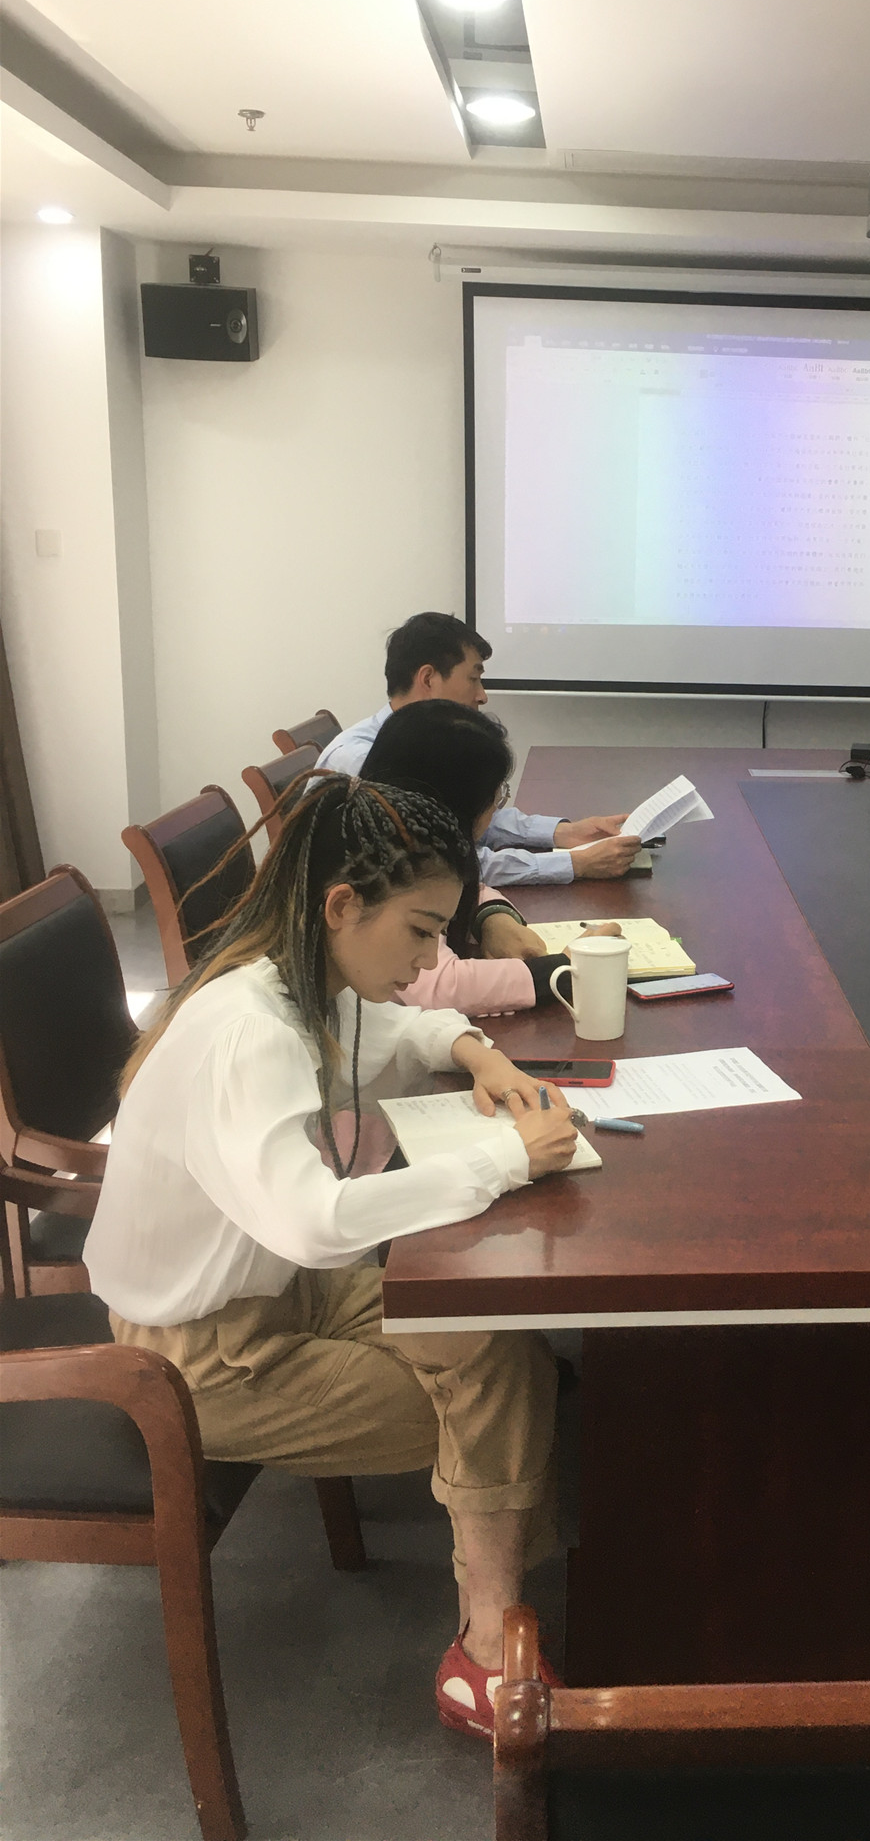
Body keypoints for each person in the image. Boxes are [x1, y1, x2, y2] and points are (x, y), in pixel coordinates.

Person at [83, 773, 579, 1740]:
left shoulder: (292, 980)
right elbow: (314, 1223)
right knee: (498, 1413)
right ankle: (490, 1645)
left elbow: (398, 1029)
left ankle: (496, 1613)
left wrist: (479, 1052)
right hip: (192, 1358)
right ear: (342, 906)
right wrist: (505, 1160)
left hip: (281, 1294)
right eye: (422, 932)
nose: (432, 958)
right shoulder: (249, 1033)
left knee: (497, 1353)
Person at [319, 612, 639, 886]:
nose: (482, 696)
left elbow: (464, 821)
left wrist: (563, 833)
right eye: (473, 679)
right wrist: (575, 863)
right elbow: (443, 864)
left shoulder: (423, 744)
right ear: (428, 679)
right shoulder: (366, 761)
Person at [362, 698, 623, 1016]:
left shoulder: (397, 839)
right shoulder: (383, 871)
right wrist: (566, 967)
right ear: (459, 806)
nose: (495, 810)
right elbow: (441, 987)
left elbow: (470, 888)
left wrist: (491, 918)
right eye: (496, 798)